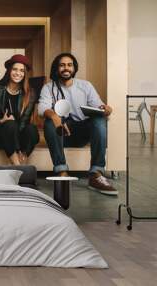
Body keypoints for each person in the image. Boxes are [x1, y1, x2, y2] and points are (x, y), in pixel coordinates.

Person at [38, 52, 117, 195]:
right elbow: (42, 108)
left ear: (74, 68)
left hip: (80, 132)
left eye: (69, 65)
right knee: (49, 121)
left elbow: (98, 106)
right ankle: (61, 171)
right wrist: (55, 117)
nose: (66, 68)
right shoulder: (49, 88)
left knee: (99, 120)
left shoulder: (85, 86)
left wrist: (105, 109)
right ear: (56, 68)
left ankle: (96, 174)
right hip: (60, 134)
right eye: (62, 65)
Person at [0, 54, 39, 165]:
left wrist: (16, 138)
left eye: (22, 71)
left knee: (32, 130)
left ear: (25, 74)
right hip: (0, 132)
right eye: (15, 69)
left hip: (19, 133)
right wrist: (2, 120)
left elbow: (25, 120)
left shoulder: (30, 93)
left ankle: (23, 158)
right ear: (9, 70)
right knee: (10, 125)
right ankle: (18, 166)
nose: (18, 73)